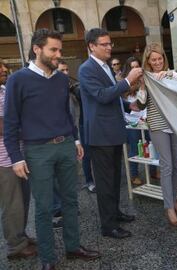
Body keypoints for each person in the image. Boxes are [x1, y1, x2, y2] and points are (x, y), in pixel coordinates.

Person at [3, 29, 100, 270]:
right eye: (53, 50)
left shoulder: (59, 78)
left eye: (60, 50)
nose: (58, 55)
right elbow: (11, 122)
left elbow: (66, 112)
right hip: (37, 151)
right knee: (45, 208)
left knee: (70, 201)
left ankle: (73, 246)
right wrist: (16, 158)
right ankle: (48, 258)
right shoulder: (18, 80)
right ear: (37, 49)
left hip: (65, 145)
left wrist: (76, 140)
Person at [78, 28, 143, 239]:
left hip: (113, 132)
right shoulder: (86, 69)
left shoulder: (104, 66)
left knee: (115, 178)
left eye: (110, 44)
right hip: (100, 135)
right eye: (104, 44)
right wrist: (127, 81)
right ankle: (108, 226)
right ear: (91, 46)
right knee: (105, 182)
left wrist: (127, 106)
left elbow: (112, 98)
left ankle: (114, 213)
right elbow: (102, 96)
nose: (109, 47)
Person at [136, 42, 177, 227]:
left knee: (176, 166)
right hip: (158, 124)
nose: (157, 62)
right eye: (153, 60)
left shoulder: (172, 74)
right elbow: (141, 104)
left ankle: (173, 199)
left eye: (159, 59)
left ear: (164, 58)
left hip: (175, 124)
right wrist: (142, 86)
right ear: (147, 61)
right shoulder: (145, 77)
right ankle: (169, 207)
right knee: (167, 165)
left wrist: (171, 74)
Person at [0, 58, 37, 260]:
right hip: (4, 161)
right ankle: (15, 246)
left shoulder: (4, 89)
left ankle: (21, 236)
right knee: (12, 204)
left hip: (18, 154)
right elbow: (4, 126)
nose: (4, 69)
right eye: (0, 67)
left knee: (22, 200)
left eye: (3, 66)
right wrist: (31, 128)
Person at [57, 60, 96, 193]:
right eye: (62, 70)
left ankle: (89, 181)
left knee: (85, 154)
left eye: (67, 69)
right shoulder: (53, 89)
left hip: (78, 127)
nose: (66, 73)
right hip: (61, 133)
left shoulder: (74, 88)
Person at [121, 56, 158, 185]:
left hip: (146, 120)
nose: (135, 69)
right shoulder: (123, 85)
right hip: (132, 123)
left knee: (152, 146)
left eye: (137, 66)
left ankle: (154, 171)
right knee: (134, 150)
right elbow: (124, 105)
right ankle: (134, 174)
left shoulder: (145, 81)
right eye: (132, 67)